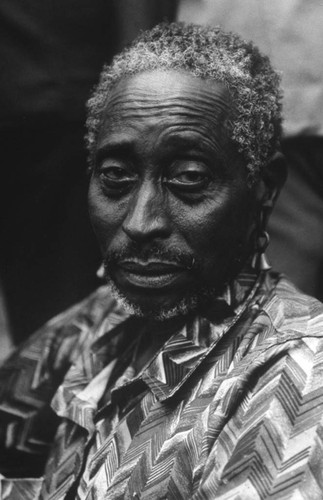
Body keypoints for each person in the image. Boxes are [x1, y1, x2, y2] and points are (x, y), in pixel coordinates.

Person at [0, 22, 323, 499]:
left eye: (189, 177)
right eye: (115, 176)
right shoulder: (102, 322)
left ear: (265, 188)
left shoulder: (299, 375)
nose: (140, 221)